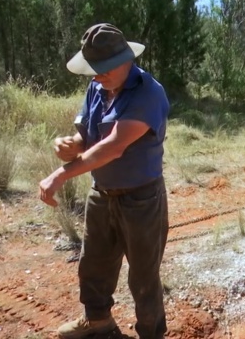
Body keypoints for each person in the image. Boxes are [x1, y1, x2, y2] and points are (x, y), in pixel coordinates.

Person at [38, 23, 170, 339]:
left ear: (126, 59)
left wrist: (60, 174)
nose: (97, 76)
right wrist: (68, 144)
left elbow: (113, 146)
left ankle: (151, 334)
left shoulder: (149, 93)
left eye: (104, 69)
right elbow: (87, 138)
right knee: (93, 265)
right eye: (93, 70)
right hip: (101, 193)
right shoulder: (97, 88)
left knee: (143, 277)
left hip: (141, 200)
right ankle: (98, 323)